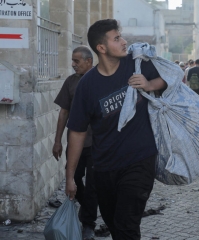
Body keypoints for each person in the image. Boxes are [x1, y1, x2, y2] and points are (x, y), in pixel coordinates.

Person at [65, 19, 166, 239]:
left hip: (140, 161)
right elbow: (77, 132)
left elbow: (169, 77)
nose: (124, 42)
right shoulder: (87, 86)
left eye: (121, 36)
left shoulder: (137, 63)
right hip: (104, 168)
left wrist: (149, 85)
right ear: (101, 48)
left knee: (126, 224)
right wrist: (70, 175)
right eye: (117, 38)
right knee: (115, 225)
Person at [52, 46, 98, 240]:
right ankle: (88, 206)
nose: (73, 64)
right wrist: (57, 141)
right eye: (72, 60)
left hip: (98, 143)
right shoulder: (71, 82)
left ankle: (88, 223)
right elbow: (63, 112)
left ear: (89, 61)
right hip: (75, 142)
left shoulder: (100, 80)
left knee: (94, 183)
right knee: (74, 179)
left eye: (77, 61)